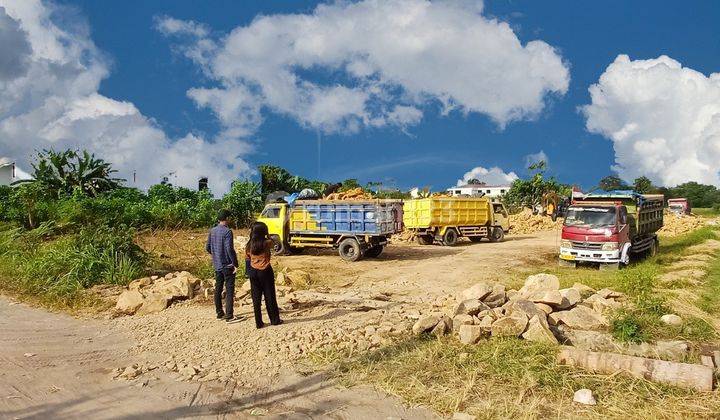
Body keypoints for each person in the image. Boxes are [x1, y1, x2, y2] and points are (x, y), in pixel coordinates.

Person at [245, 222, 282, 329]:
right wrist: (268, 234)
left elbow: (247, 258)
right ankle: (274, 320)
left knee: (256, 298)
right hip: (265, 270)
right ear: (263, 232)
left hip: (253, 271)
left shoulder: (249, 244)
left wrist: (248, 272)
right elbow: (275, 242)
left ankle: (259, 323)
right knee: (270, 296)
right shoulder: (267, 243)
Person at [206, 209, 238, 321]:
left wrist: (215, 255)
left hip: (217, 264)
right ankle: (229, 315)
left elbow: (208, 247)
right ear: (227, 219)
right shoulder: (227, 232)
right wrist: (235, 263)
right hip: (227, 265)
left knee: (218, 288)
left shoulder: (212, 231)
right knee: (229, 290)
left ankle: (219, 313)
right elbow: (229, 249)